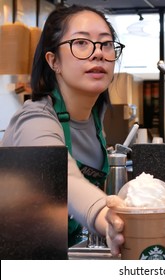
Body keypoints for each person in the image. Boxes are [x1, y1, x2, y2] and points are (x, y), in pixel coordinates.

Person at [0, 4, 125, 255]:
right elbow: (61, 176)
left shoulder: (94, 118)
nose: (98, 53)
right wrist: (106, 216)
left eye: (106, 43)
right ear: (53, 60)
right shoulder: (35, 118)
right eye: (81, 42)